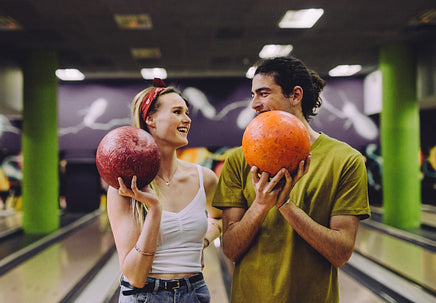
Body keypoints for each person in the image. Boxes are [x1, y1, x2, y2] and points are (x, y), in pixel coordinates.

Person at [212, 57, 370, 302]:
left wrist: (286, 206)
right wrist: (261, 205)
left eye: (263, 93)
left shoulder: (346, 160)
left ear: (295, 95)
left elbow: (340, 253)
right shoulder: (237, 160)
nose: (254, 103)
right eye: (253, 94)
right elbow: (230, 250)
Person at [107, 78, 222, 303]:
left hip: (195, 293)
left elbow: (219, 218)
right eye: (177, 112)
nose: (187, 119)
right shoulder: (125, 186)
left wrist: (204, 242)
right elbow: (135, 276)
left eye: (187, 112)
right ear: (150, 119)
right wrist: (155, 209)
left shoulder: (204, 178)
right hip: (144, 296)